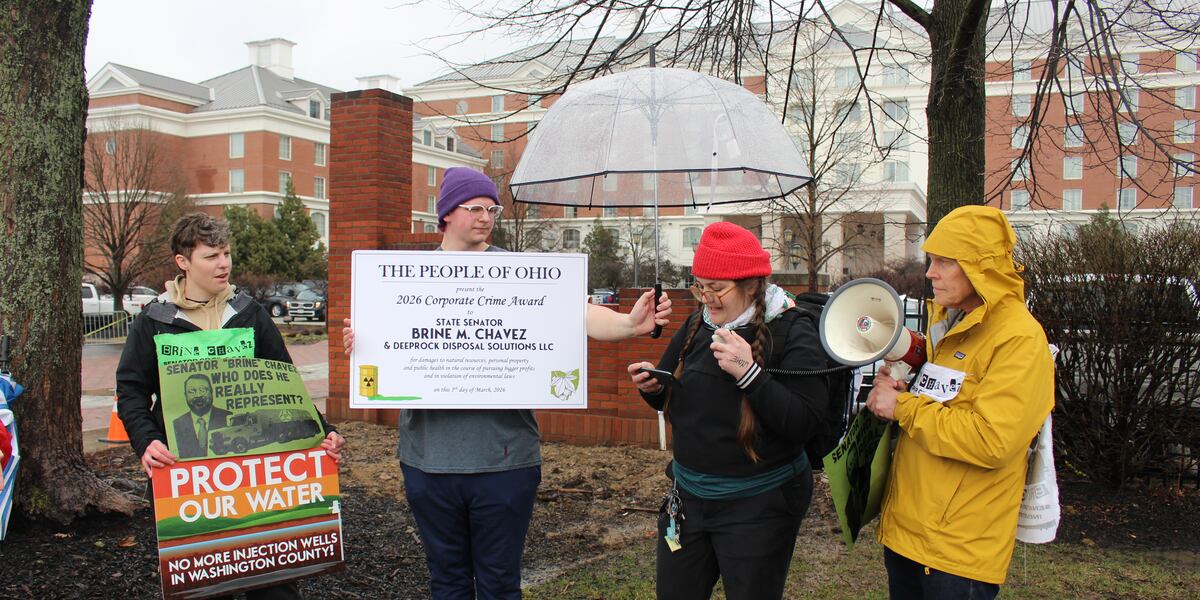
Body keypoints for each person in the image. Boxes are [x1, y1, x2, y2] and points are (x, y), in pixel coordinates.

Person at [341, 166, 672, 600]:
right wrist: (362, 345)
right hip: (429, 462)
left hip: (505, 461)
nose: (486, 217)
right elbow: (383, 343)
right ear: (446, 213)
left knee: (500, 584)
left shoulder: (517, 272)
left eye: (492, 209)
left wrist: (629, 324)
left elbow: (579, 314)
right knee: (447, 582)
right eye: (475, 208)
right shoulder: (405, 275)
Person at [116, 212, 345, 600]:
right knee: (203, 582)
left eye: (226, 253)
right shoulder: (154, 320)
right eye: (211, 256)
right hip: (185, 477)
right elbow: (131, 391)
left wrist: (323, 432)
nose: (223, 264)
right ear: (183, 262)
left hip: (259, 474)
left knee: (274, 580)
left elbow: (284, 383)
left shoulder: (249, 313)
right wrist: (145, 440)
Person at [626, 221, 829, 600]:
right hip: (688, 500)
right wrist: (653, 389)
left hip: (760, 504)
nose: (707, 298)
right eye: (699, 286)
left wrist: (748, 373)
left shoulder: (792, 329)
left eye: (717, 288)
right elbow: (671, 394)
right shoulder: (697, 324)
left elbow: (803, 422)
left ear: (751, 285)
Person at [865, 205, 1055, 600]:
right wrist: (900, 390)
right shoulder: (951, 323)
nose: (930, 273)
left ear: (980, 267)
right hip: (909, 534)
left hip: (957, 549)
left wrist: (903, 408)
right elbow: (943, 403)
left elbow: (992, 440)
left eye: (944, 262)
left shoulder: (1018, 338)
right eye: (931, 260)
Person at [171, 373, 231, 459]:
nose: (198, 395)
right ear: (185, 395)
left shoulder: (228, 417)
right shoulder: (176, 424)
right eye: (192, 391)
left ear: (211, 391)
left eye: (203, 390)